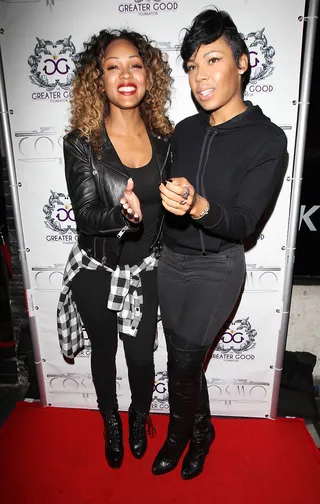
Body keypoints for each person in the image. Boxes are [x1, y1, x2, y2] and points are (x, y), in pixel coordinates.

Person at [152, 8, 287, 480]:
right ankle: (203, 429)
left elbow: (246, 222)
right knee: (180, 358)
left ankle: (181, 436)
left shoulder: (268, 139)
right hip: (170, 262)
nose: (200, 76)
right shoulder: (185, 130)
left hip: (217, 270)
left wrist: (199, 206)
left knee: (184, 360)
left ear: (243, 62)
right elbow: (165, 193)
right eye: (192, 66)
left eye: (212, 60)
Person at [57, 29, 172, 469]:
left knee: (142, 357)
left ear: (148, 75)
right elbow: (85, 213)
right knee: (104, 354)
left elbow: (171, 208)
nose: (125, 74)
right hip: (95, 271)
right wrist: (122, 216)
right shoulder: (81, 143)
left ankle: (140, 415)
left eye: (135, 64)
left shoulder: (166, 139)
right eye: (112, 66)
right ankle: (111, 420)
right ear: (98, 79)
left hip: (145, 271)